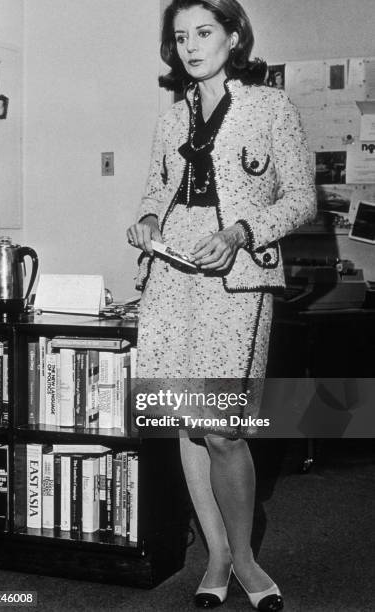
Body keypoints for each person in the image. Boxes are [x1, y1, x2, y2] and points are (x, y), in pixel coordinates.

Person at [127, 0, 316, 609]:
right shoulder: (169, 120)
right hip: (172, 275)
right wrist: (148, 221)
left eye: (204, 32)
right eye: (180, 36)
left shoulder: (270, 107)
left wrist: (239, 231)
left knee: (224, 430)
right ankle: (214, 554)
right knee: (186, 420)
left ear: (233, 37)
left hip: (234, 275)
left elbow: (302, 201)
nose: (191, 45)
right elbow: (156, 192)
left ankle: (246, 559)